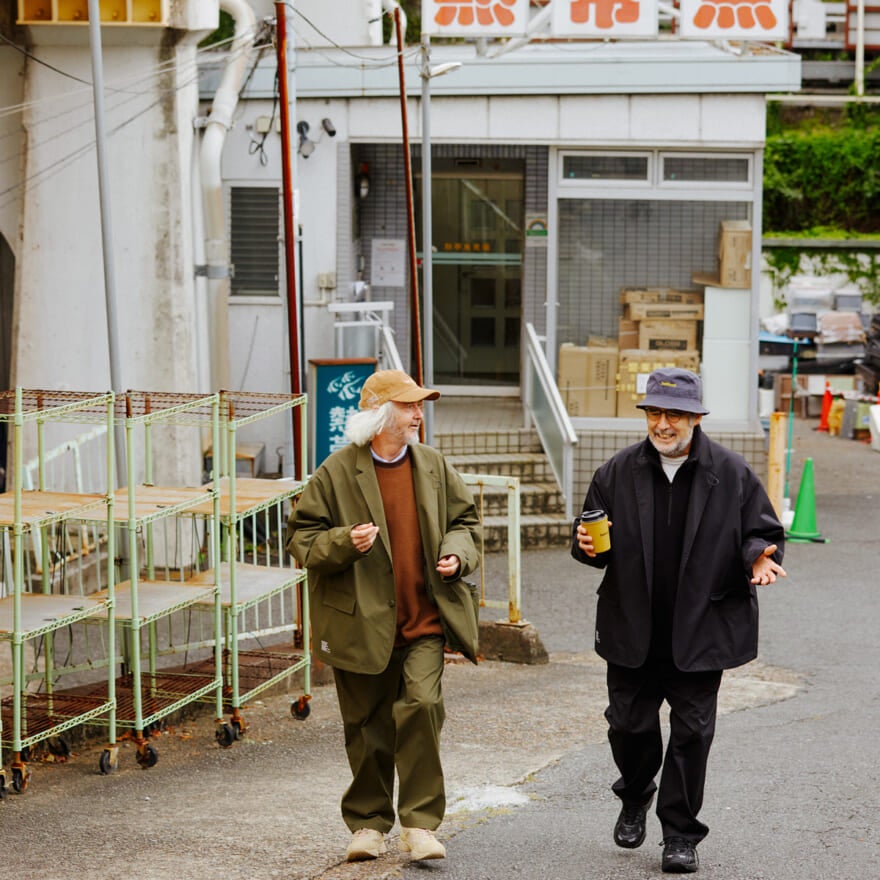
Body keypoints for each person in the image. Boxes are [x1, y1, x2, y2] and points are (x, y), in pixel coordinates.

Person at [571, 367, 786, 874]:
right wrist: (582, 545)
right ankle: (635, 791)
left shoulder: (730, 472)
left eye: (675, 414)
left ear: (695, 418)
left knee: (692, 734)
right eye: (655, 413)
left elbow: (761, 530)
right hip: (633, 628)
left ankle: (680, 835)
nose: (663, 424)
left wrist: (758, 556)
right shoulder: (616, 472)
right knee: (627, 726)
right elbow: (590, 539)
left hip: (700, 628)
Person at [286, 369, 481, 864]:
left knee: (421, 707)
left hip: (425, 620)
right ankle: (368, 825)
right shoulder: (335, 471)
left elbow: (466, 522)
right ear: (379, 413)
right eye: (409, 406)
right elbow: (300, 541)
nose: (419, 414)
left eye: (420, 406)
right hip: (359, 623)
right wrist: (342, 543)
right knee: (367, 725)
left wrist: (457, 555)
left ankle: (419, 825)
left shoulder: (433, 465)